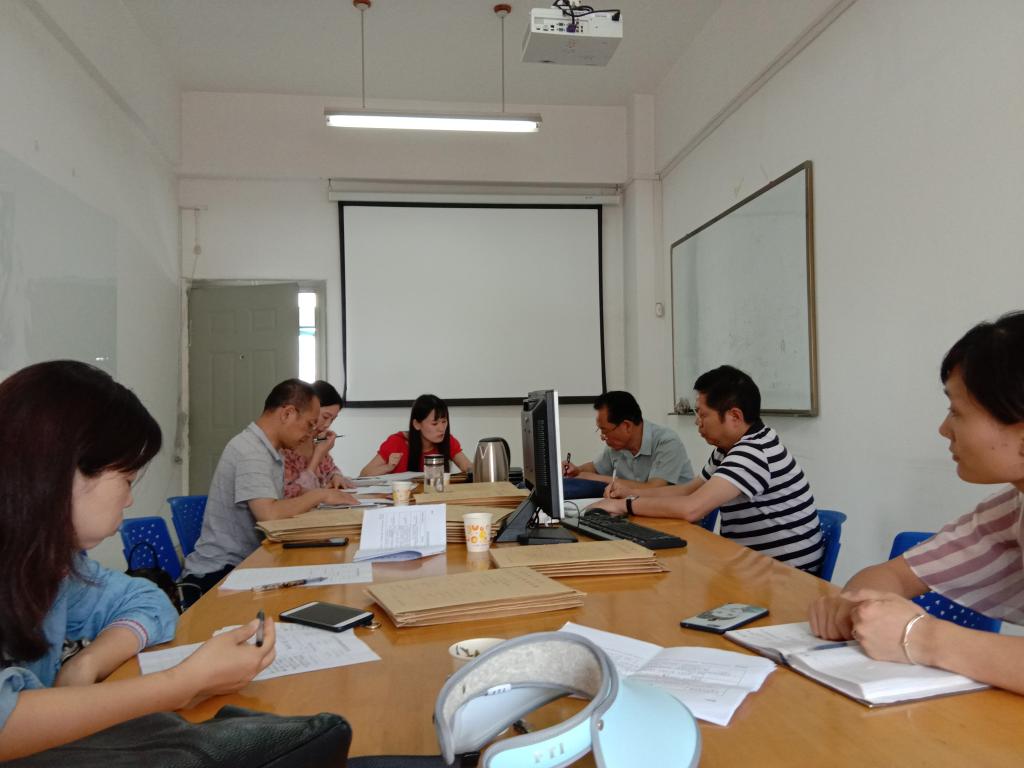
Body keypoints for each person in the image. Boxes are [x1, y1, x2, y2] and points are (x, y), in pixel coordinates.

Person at [0, 360, 276, 760]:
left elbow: (148, 600)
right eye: (127, 479)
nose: (129, 499)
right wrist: (182, 683)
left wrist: (88, 663)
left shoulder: (53, 564)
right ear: (62, 472)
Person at [809, 311, 1024, 693]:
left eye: (957, 411)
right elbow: (893, 575)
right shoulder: (1011, 510)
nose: (944, 429)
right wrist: (857, 606)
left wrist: (921, 637)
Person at [602, 366, 823, 572]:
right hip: (753, 568)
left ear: (734, 416)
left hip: (785, 578)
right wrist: (631, 493)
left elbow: (691, 508)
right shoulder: (729, 448)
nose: (697, 422)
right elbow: (687, 491)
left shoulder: (753, 452)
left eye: (703, 414)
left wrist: (623, 505)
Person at [181, 379, 357, 600]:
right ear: (287, 414)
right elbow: (270, 514)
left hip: (252, 561)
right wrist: (320, 494)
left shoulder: (270, 450)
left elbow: (282, 505)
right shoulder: (250, 451)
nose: (312, 432)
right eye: (309, 424)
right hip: (220, 572)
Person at [563, 390, 694, 491]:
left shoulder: (667, 442)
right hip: (639, 509)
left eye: (604, 430)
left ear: (626, 426)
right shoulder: (617, 446)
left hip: (676, 513)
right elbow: (595, 468)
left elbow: (654, 489)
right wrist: (576, 470)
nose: (602, 437)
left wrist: (597, 479)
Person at [361, 394, 473, 476]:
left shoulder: (447, 440)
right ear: (417, 424)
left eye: (444, 421)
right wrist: (388, 467)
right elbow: (364, 474)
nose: (442, 428)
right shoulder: (397, 442)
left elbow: (469, 469)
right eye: (434, 423)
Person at [281, 380, 355, 498]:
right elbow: (294, 495)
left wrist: (336, 476)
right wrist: (318, 454)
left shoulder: (316, 440)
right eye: (325, 417)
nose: (327, 425)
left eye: (332, 420)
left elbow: (331, 469)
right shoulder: (286, 446)